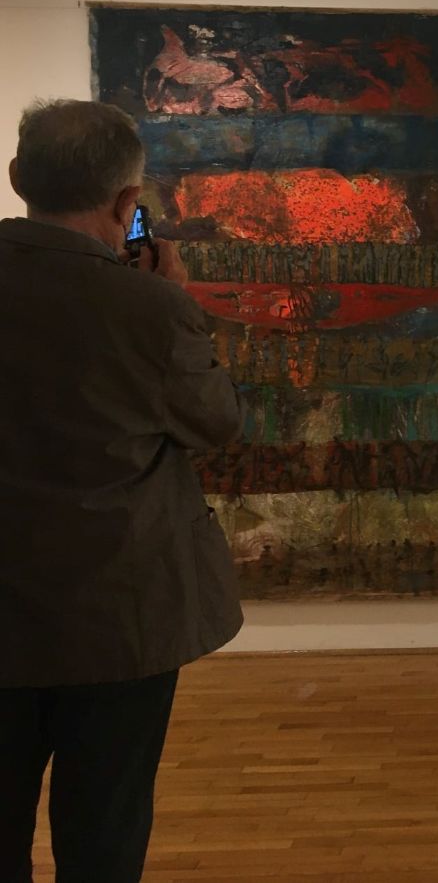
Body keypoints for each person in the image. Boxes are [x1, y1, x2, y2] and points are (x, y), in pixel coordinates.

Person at [0, 100, 244, 883]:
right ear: (125, 202)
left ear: (18, 178)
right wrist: (174, 299)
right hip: (118, 613)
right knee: (103, 829)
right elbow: (215, 421)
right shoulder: (150, 307)